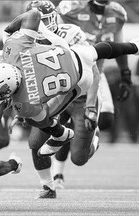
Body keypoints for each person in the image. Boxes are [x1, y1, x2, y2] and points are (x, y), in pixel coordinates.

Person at [0, 8, 139, 196]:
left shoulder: (23, 102)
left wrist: (90, 107)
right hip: (76, 61)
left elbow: (44, 117)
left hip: (79, 88)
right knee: (98, 51)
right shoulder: (16, 45)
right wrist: (10, 29)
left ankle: (64, 135)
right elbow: (31, 17)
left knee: (75, 154)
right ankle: (138, 47)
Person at [50, 0, 133, 188]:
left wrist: (125, 75)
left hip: (96, 72)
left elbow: (119, 46)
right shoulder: (71, 8)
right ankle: (57, 174)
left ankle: (86, 135)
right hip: (70, 73)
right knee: (62, 122)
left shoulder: (117, 13)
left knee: (106, 119)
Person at [23, 0, 101, 196]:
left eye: (44, 20)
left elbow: (95, 73)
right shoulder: (26, 41)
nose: (41, 25)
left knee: (79, 158)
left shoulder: (71, 34)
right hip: (54, 99)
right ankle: (48, 187)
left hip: (81, 98)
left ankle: (94, 139)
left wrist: (91, 107)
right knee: (35, 144)